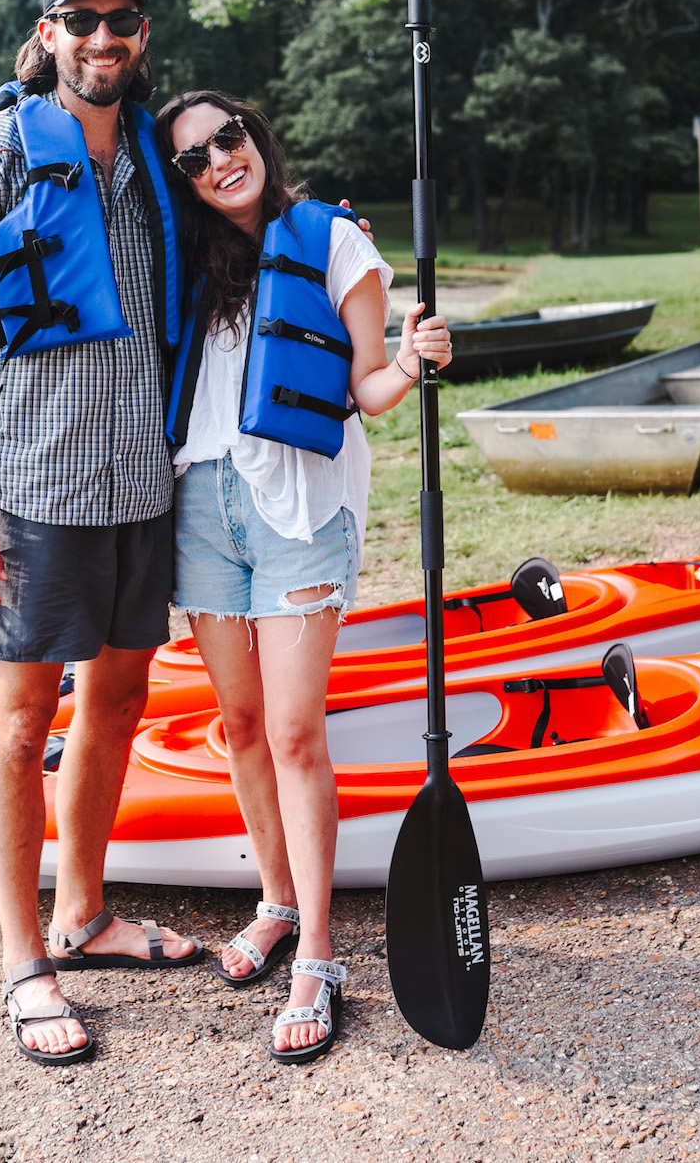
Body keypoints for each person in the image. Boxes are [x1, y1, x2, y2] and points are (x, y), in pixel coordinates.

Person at [0, 0, 201, 1068]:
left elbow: (247, 231)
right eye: (79, 18)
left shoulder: (156, 158)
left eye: (120, 18)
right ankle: (26, 960)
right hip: (30, 490)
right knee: (22, 717)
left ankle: (84, 910)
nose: (100, 37)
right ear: (46, 34)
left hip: (143, 481)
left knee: (122, 698)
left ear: (141, 33)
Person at [156, 90, 452, 1065]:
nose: (217, 161)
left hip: (300, 507)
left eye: (227, 138)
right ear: (183, 180)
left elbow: (366, 386)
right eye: (193, 157)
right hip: (203, 502)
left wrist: (412, 360)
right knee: (238, 723)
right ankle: (277, 898)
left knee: (292, 728)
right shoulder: (181, 259)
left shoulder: (334, 242)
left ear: (256, 136)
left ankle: (318, 951)